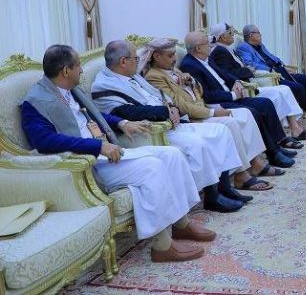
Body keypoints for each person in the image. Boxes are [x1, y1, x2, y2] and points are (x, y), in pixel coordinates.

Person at [21, 45, 214, 262]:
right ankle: (162, 246)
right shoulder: (35, 101)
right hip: (87, 163)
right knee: (153, 167)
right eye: (78, 66)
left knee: (172, 155)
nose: (82, 71)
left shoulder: (70, 89)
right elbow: (43, 141)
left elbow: (96, 114)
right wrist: (97, 147)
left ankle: (181, 224)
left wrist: (122, 122)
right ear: (66, 71)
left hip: (106, 152)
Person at [91, 40, 249, 213]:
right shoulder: (104, 84)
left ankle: (224, 188)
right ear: (123, 61)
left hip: (170, 122)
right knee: (198, 143)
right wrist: (166, 111)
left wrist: (172, 106)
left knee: (221, 130)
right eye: (136, 58)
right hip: (151, 131)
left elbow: (159, 95)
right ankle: (212, 197)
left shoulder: (132, 76)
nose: (139, 61)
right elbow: (127, 112)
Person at [139, 38, 277, 189]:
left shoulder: (174, 70)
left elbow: (200, 92)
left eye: (174, 55)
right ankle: (241, 175)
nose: (174, 59)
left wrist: (191, 81)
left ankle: (254, 162)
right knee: (229, 123)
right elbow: (179, 105)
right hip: (192, 117)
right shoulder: (154, 76)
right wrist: (212, 112)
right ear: (157, 56)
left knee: (245, 113)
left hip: (201, 108)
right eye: (170, 56)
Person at [179, 31, 298, 169]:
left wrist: (236, 81)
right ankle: (272, 153)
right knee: (253, 111)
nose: (211, 45)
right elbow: (206, 95)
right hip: (218, 103)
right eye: (207, 43)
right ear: (198, 48)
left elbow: (225, 74)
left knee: (265, 103)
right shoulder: (189, 65)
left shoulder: (206, 59)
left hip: (231, 95)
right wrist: (234, 95)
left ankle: (277, 145)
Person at [208, 22, 306, 140]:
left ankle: (295, 128)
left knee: (285, 89)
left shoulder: (227, 49)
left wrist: (247, 70)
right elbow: (228, 74)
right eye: (230, 33)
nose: (233, 35)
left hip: (251, 82)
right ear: (223, 37)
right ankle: (285, 132)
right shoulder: (219, 51)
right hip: (245, 87)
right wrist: (247, 70)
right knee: (280, 92)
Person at [235, 24, 306, 130]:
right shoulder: (243, 48)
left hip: (282, 71)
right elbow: (249, 64)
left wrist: (283, 65)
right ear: (251, 35)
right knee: (298, 88)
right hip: (271, 77)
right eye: (259, 33)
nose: (261, 35)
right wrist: (270, 69)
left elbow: (271, 57)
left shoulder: (260, 45)